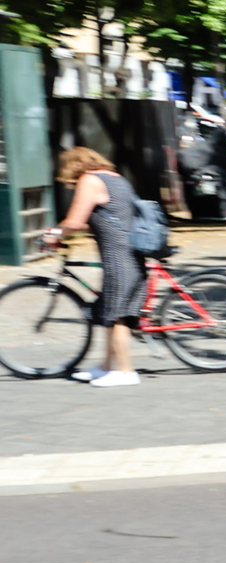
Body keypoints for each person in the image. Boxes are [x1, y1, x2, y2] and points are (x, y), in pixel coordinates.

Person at [37, 148, 147, 386]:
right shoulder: (114, 177)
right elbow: (103, 217)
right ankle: (105, 367)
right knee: (110, 310)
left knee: (117, 315)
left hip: (120, 255)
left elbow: (76, 221)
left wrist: (52, 235)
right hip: (129, 251)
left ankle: (126, 372)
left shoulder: (90, 180)